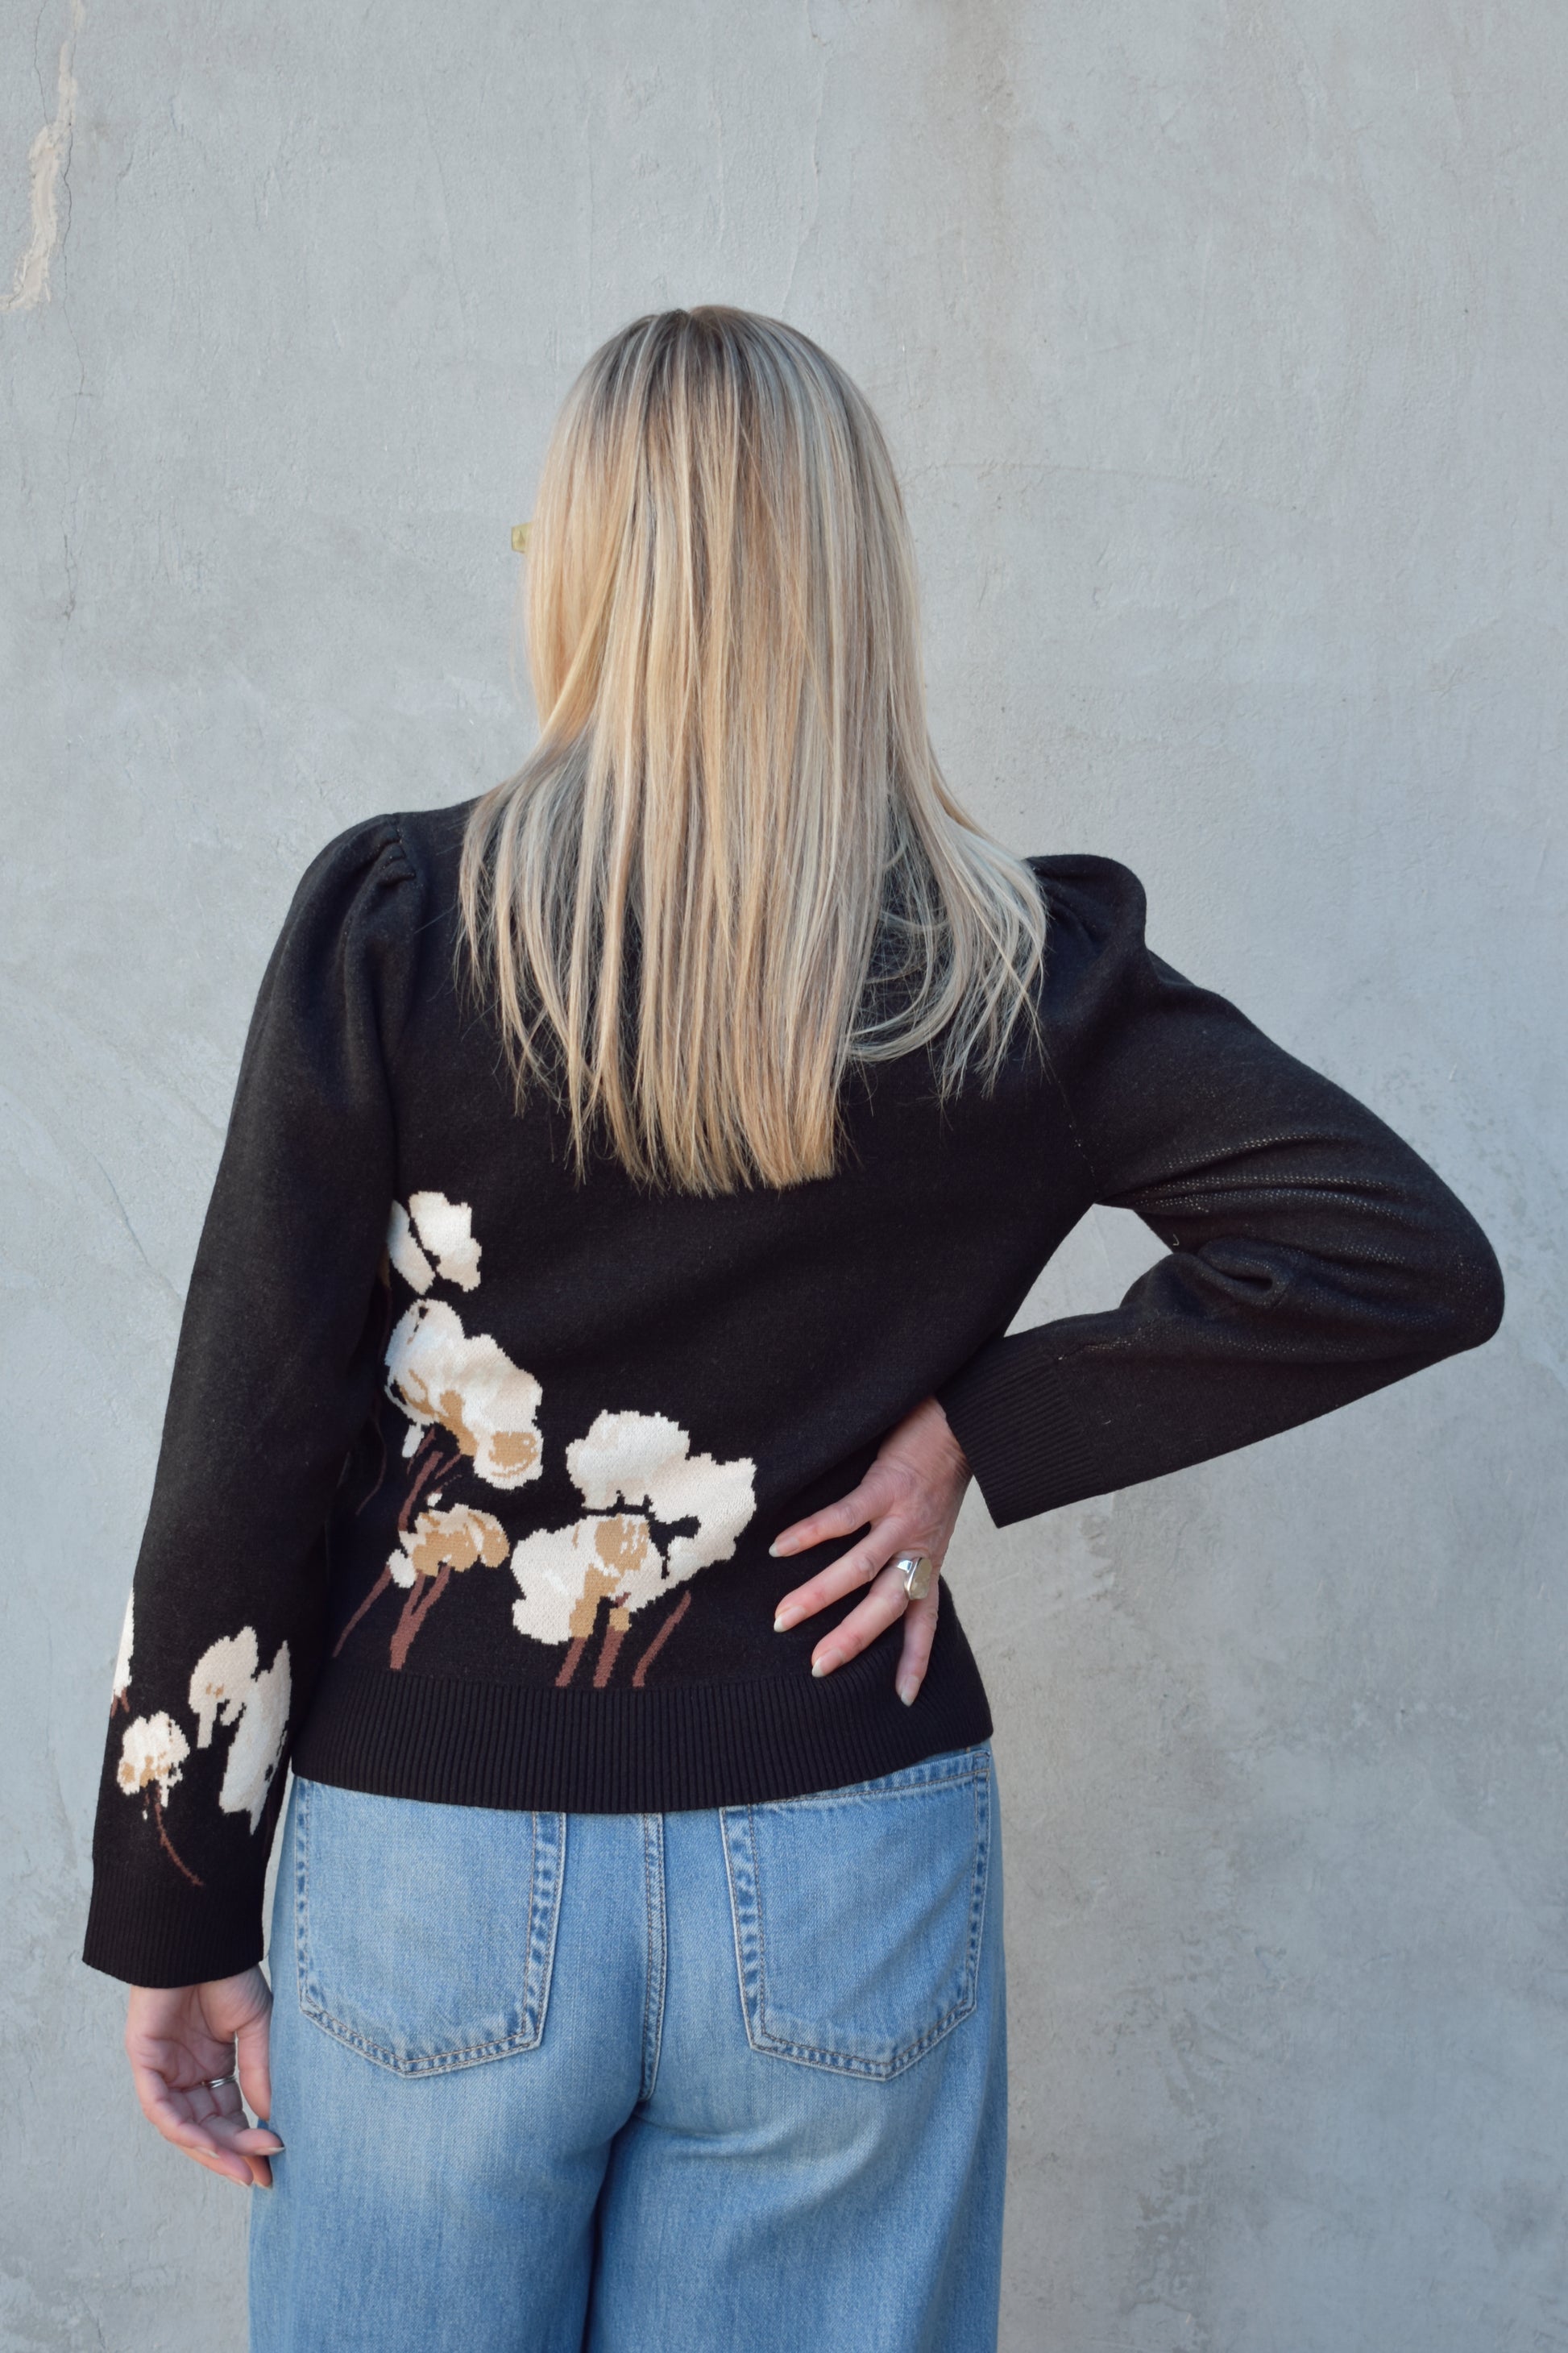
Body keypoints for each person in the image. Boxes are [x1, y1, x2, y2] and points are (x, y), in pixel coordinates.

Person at [82, 305, 1504, 2353]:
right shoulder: (1012, 964)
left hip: (432, 1873)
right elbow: (1393, 1247)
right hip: (846, 1856)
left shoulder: (402, 930)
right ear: (856, 578)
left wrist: (177, 1904)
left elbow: (243, 1445)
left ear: (582, 562)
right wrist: (981, 1427)